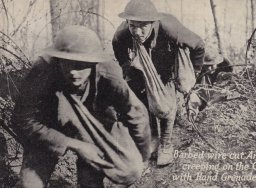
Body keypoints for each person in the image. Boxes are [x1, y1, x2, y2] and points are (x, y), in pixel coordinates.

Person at [12, 25, 151, 188]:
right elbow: (22, 119)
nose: (73, 72)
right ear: (58, 59)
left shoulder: (108, 73)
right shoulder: (42, 70)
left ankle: (90, 176)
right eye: (68, 64)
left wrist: (142, 156)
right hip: (49, 125)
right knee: (29, 185)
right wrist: (74, 144)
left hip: (94, 126)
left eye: (81, 65)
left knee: (128, 169)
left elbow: (136, 113)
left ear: (93, 63)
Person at [112, 0, 205, 166]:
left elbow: (198, 45)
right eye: (133, 25)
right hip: (142, 61)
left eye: (143, 26)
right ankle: (152, 137)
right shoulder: (123, 33)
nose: (137, 31)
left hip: (167, 58)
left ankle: (166, 144)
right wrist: (127, 67)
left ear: (153, 23)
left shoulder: (169, 28)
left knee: (164, 100)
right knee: (140, 96)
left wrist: (193, 75)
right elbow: (117, 46)